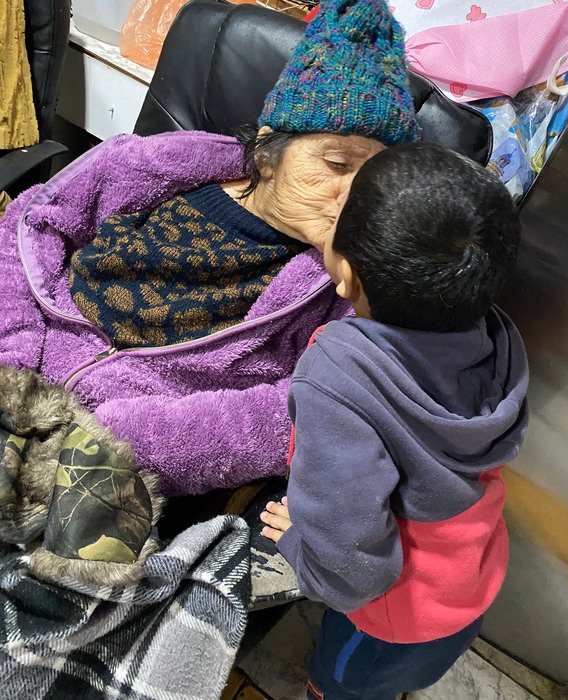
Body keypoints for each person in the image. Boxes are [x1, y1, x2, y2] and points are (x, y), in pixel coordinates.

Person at [0, 0, 418, 494]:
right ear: (268, 151)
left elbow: (320, 405)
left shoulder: (348, 282)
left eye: (374, 178)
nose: (353, 197)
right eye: (337, 165)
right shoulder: (150, 167)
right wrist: (14, 360)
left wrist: (116, 443)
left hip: (99, 463)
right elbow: (30, 228)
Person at [260, 143, 529, 699]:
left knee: (342, 687)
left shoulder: (336, 379)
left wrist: (301, 547)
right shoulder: (494, 331)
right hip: (471, 575)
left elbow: (353, 568)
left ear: (348, 277)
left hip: (391, 617)